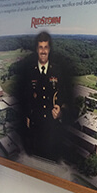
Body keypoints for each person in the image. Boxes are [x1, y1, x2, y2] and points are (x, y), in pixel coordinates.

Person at [23, 31, 66, 161]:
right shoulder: (30, 72)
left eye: (45, 47)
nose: (43, 51)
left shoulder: (57, 71)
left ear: (49, 49)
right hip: (35, 125)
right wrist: (27, 117)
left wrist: (61, 112)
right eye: (40, 47)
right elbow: (26, 97)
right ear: (37, 49)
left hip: (52, 125)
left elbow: (64, 95)